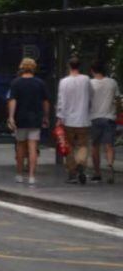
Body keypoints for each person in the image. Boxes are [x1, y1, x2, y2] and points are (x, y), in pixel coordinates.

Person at [7, 57, 50, 186]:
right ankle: (31, 176)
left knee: (20, 147)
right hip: (35, 119)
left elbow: (12, 100)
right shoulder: (40, 83)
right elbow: (46, 101)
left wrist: (11, 117)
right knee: (33, 147)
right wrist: (46, 116)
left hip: (20, 119)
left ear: (22, 67)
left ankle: (19, 174)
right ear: (34, 68)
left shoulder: (16, 83)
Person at [57, 57, 93, 185]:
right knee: (83, 145)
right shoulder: (86, 80)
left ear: (69, 66)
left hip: (68, 120)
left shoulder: (64, 82)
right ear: (80, 66)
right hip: (83, 119)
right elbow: (91, 96)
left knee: (70, 146)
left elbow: (61, 101)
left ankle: (72, 174)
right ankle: (81, 165)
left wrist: (59, 118)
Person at [89, 61, 119, 184]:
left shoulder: (90, 84)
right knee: (109, 145)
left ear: (92, 71)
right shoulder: (112, 82)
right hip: (109, 118)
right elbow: (117, 99)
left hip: (95, 117)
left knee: (95, 146)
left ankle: (97, 173)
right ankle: (110, 165)